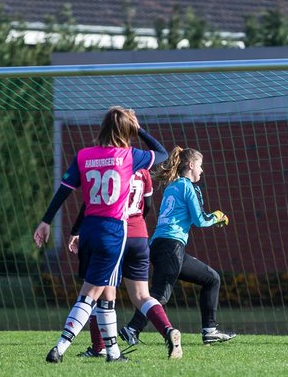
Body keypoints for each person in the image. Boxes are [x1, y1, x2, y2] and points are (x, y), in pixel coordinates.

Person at [33, 106, 179, 362]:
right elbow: (163, 153)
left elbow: (63, 191)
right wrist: (140, 129)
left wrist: (45, 221)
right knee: (91, 293)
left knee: (106, 291)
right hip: (114, 232)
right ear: (127, 130)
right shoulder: (129, 156)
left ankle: (111, 351)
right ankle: (61, 346)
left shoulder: (83, 155)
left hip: (88, 229)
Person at [120, 146, 236, 347]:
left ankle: (210, 330)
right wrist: (218, 216)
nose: (202, 170)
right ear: (191, 165)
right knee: (159, 295)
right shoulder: (189, 186)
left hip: (160, 245)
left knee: (211, 278)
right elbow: (200, 220)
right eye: (200, 166)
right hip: (171, 247)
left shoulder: (172, 186)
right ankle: (131, 329)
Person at [67, 165, 182, 358]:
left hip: (115, 235)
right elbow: (148, 206)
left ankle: (99, 347)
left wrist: (76, 230)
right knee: (142, 296)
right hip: (139, 236)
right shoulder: (144, 172)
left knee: (100, 291)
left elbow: (90, 204)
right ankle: (168, 330)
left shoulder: (112, 166)